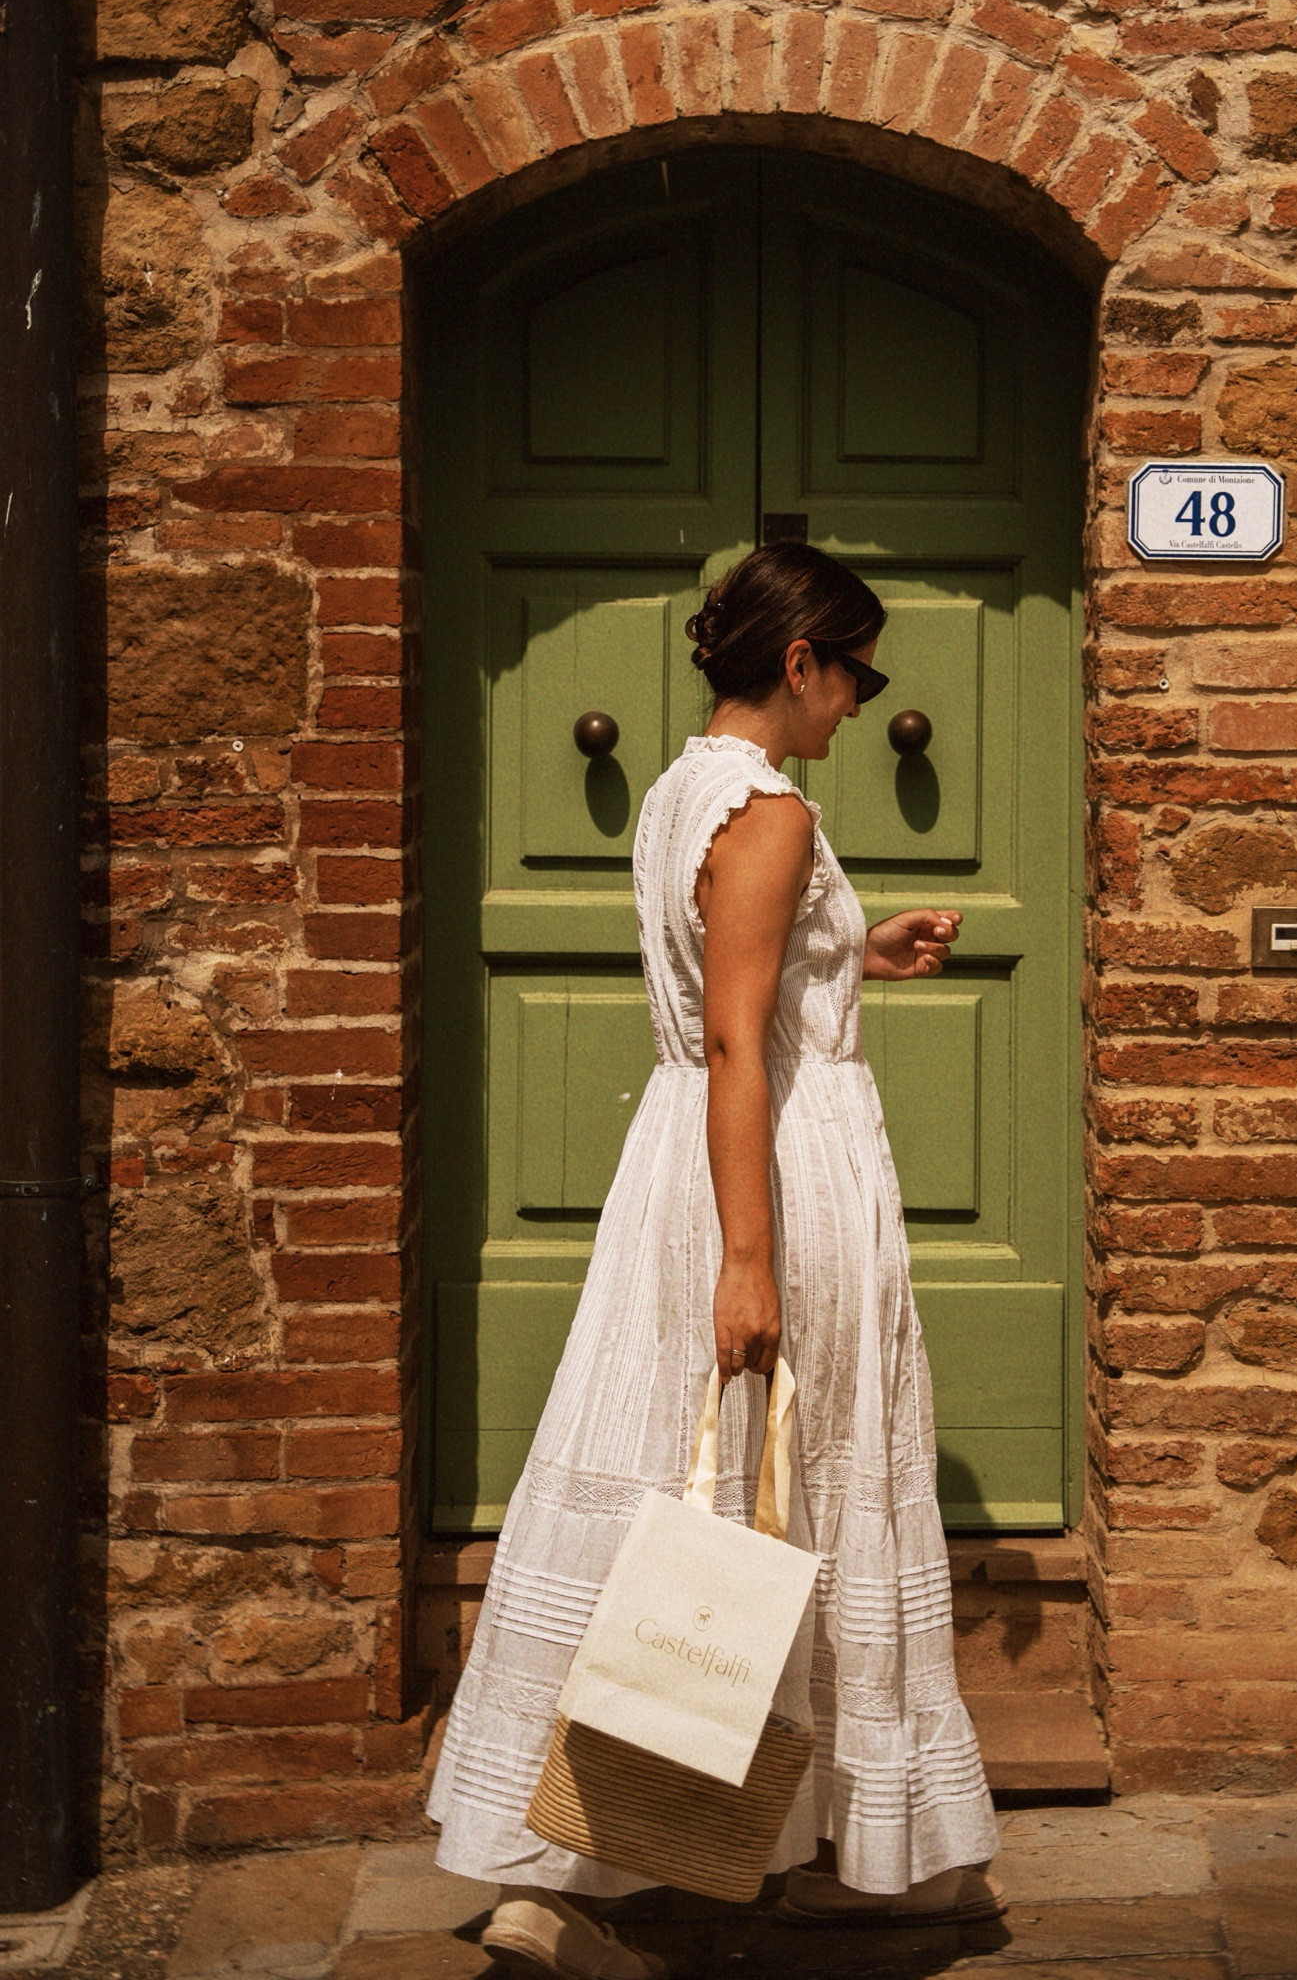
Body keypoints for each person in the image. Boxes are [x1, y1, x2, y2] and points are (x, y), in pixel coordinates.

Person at [427, 542, 1003, 1979]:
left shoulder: (686, 790)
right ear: (800, 663)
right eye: (856, 670)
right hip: (769, 1172)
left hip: (691, 1158)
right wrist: (751, 1259)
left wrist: (861, 956)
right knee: (782, 1494)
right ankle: (634, 1868)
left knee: (701, 1497)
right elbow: (740, 1039)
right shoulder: (772, 813)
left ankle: (631, 1859)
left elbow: (739, 983)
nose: (861, 700)